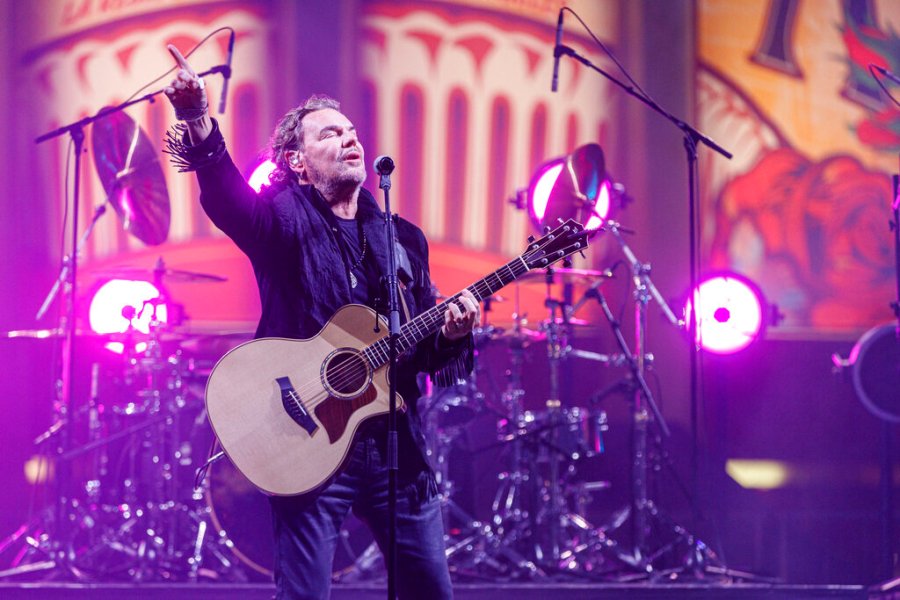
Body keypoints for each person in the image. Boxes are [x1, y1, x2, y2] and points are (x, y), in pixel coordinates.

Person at [163, 45, 478, 599]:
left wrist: (452, 334)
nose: (350, 139)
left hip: (394, 447)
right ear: (297, 162)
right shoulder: (283, 219)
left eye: (352, 131)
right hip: (309, 442)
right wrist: (196, 119)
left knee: (431, 591)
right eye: (330, 134)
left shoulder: (402, 240)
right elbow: (228, 200)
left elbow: (420, 351)